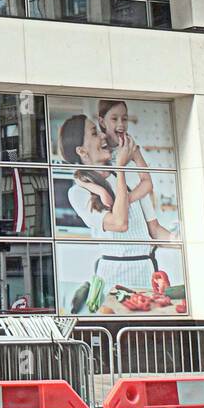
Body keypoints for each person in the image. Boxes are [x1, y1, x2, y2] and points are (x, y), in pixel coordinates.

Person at [58, 114, 173, 292]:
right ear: (82, 151)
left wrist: (186, 243)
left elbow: (155, 230)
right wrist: (120, 167)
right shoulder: (78, 193)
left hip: (147, 273)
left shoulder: (129, 177)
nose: (103, 136)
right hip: (113, 278)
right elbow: (120, 223)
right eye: (95, 133)